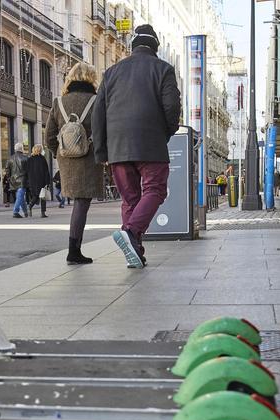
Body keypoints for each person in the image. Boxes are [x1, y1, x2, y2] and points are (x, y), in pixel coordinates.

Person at [92, 24, 182, 268]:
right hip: (150, 143)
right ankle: (131, 233)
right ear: (155, 47)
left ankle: (135, 252)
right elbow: (172, 108)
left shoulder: (111, 73)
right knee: (155, 190)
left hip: (118, 147)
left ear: (132, 46)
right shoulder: (163, 69)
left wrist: (101, 151)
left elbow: (97, 113)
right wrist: (165, 132)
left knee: (130, 200)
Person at [46, 62, 105, 264]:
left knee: (79, 203)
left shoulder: (58, 102)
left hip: (67, 162)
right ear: (91, 77)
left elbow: (49, 137)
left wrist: (61, 155)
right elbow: (103, 131)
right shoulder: (97, 101)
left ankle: (75, 249)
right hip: (89, 159)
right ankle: (73, 251)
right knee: (81, 203)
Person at [27, 145, 52, 218]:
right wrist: (47, 182)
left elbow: (27, 171)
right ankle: (42, 213)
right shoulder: (42, 159)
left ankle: (30, 206)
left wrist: (28, 181)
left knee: (36, 196)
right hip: (41, 181)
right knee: (42, 196)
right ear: (40, 150)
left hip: (32, 181)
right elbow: (46, 171)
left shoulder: (29, 159)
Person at [6, 142, 29, 218]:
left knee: (20, 196)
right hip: (23, 179)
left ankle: (26, 212)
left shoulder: (10, 158)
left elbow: (7, 170)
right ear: (21, 149)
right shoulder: (26, 158)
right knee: (20, 196)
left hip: (13, 180)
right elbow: (29, 170)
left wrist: (9, 178)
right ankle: (15, 211)